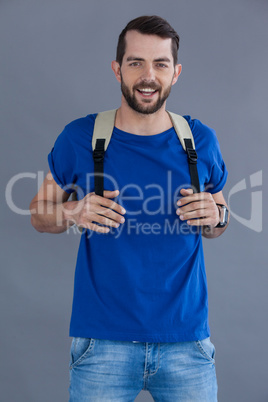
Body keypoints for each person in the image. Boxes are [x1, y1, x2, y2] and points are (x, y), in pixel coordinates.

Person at [30, 15, 229, 402]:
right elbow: (39, 212)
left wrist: (216, 214)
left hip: (186, 344)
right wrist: (73, 212)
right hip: (102, 345)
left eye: (160, 64)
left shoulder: (200, 140)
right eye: (136, 62)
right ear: (117, 68)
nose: (148, 76)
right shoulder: (80, 137)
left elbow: (219, 219)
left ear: (176, 73)